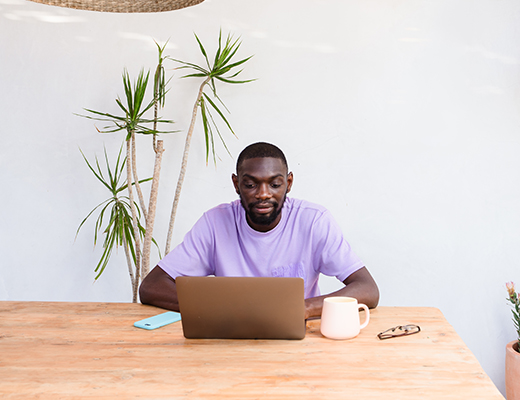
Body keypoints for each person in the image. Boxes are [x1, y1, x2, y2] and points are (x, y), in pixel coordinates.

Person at [139, 142, 379, 319]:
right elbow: (152, 287)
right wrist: (224, 308)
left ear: (289, 183)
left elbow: (367, 289)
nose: (263, 194)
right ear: (236, 184)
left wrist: (304, 309)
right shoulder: (215, 223)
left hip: (297, 336)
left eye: (275, 184)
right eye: (251, 184)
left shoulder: (314, 221)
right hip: (230, 337)